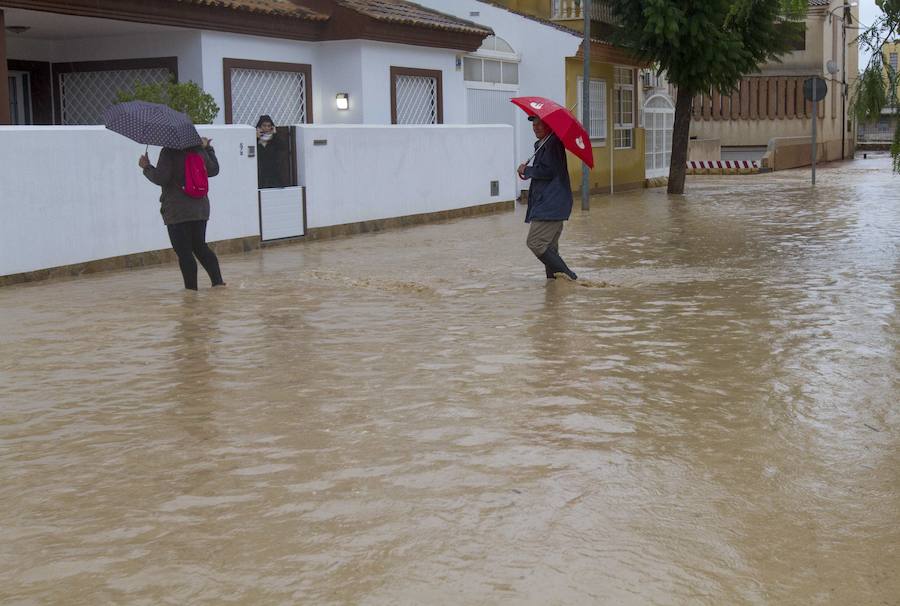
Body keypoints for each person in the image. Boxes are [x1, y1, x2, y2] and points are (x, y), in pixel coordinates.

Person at [139, 138, 225, 290]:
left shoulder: (168, 151)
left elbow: (161, 178)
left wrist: (146, 167)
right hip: (200, 208)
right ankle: (218, 284)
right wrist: (208, 148)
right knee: (200, 246)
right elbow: (214, 170)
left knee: (184, 252)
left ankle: (191, 294)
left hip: (177, 211)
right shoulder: (199, 150)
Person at [517, 116, 578, 281]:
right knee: (550, 249)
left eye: (540, 124)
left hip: (551, 204)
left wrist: (527, 170)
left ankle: (570, 278)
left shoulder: (553, 144)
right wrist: (528, 170)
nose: (536, 127)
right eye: (534, 124)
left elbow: (549, 171)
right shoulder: (543, 144)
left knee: (535, 242)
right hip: (551, 203)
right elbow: (545, 170)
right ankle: (554, 288)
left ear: (549, 126)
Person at [256, 115, 286, 189]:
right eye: (264, 125)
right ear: (259, 126)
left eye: (269, 126)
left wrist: (275, 135)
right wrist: (256, 137)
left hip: (273, 173)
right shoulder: (255, 138)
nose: (266, 128)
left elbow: (282, 147)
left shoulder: (274, 139)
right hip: (259, 172)